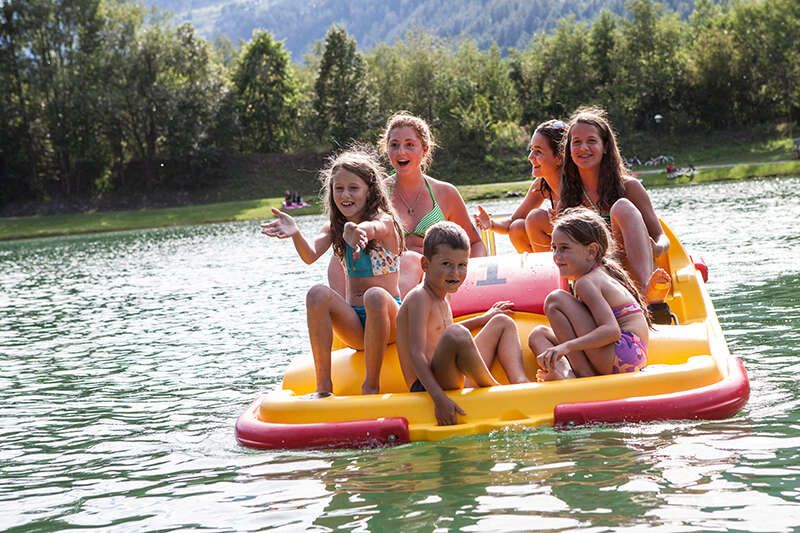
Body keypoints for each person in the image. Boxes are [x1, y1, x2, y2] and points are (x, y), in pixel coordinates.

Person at [261, 148, 404, 396]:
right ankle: (323, 387)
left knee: (375, 296)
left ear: (369, 190)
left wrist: (359, 230)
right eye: (339, 188)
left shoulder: (384, 221)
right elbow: (309, 256)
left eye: (353, 188)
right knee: (316, 293)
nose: (345, 195)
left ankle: (371, 385)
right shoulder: (333, 228)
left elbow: (375, 227)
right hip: (355, 326)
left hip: (389, 320)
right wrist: (295, 233)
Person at [328, 112, 486, 297]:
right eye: (394, 145)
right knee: (336, 260)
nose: (401, 152)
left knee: (412, 260)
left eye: (409, 145)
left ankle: (396, 315)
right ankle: (351, 315)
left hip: (435, 279)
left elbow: (475, 243)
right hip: (386, 277)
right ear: (387, 150)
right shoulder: (375, 194)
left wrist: (467, 280)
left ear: (425, 149)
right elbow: (352, 233)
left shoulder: (445, 193)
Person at [396, 221, 529, 426]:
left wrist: (485, 318)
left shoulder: (443, 294)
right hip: (426, 384)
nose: (455, 273)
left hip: (449, 372)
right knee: (456, 332)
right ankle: (495, 389)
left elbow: (444, 331)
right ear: (425, 264)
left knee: (501, 322)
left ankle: (521, 384)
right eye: (446, 264)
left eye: (462, 265)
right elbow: (416, 353)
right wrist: (438, 398)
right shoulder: (419, 298)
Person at [558, 106, 673, 324]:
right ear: (569, 150)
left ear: (606, 147)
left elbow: (661, 238)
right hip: (595, 274)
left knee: (622, 207)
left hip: (629, 267)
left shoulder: (629, 187)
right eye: (576, 142)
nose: (583, 148)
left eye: (591, 141)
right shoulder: (569, 196)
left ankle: (647, 295)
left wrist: (655, 247)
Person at [529, 208, 650, 381]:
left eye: (564, 248)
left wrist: (566, 347)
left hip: (622, 353)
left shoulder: (586, 283)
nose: (557, 256)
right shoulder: (601, 272)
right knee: (538, 334)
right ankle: (563, 371)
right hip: (632, 355)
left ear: (591, 251)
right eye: (554, 248)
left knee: (555, 300)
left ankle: (582, 373)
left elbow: (611, 331)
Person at [473, 119, 566, 252]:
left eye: (538, 151)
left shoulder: (576, 183)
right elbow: (513, 222)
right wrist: (491, 224)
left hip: (580, 245)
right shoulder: (540, 186)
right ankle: (539, 270)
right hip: (562, 245)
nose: (530, 157)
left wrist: (564, 221)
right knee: (517, 228)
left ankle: (553, 269)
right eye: (531, 149)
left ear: (559, 157)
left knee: (535, 218)